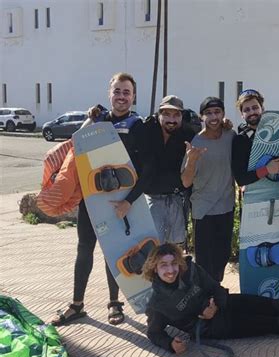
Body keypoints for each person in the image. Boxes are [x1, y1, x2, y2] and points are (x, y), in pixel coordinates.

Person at [51, 72, 147, 326]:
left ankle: (115, 304)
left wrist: (130, 201)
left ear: (133, 96)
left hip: (121, 201)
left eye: (126, 92)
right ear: (109, 94)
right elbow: (76, 146)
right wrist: (89, 117)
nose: (121, 97)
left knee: (114, 251)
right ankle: (77, 305)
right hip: (92, 198)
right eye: (117, 91)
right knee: (84, 249)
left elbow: (147, 170)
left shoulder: (139, 126)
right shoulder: (97, 121)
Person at [144, 243, 279, 354]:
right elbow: (154, 332)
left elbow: (215, 288)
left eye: (173, 263)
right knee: (274, 323)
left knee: (276, 306)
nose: (171, 270)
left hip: (226, 304)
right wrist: (170, 344)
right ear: (154, 268)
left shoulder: (190, 269)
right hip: (216, 327)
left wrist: (215, 304)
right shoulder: (157, 304)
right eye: (164, 265)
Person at [231, 88, 279, 271]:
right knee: (258, 245)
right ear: (241, 114)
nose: (251, 112)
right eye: (246, 109)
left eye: (255, 107)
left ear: (262, 108)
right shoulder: (240, 141)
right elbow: (240, 178)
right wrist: (266, 169)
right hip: (255, 200)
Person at [181, 97, 236, 282]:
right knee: (204, 263)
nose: (213, 117)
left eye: (217, 112)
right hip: (203, 210)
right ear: (201, 116)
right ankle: (206, 302)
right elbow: (186, 182)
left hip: (227, 206)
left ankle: (215, 297)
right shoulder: (195, 143)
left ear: (223, 114)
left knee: (222, 257)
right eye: (209, 113)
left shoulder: (230, 135)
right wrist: (192, 161)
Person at [142, 95, 196, 246]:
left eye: (176, 114)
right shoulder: (147, 129)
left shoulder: (189, 134)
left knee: (176, 250)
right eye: (166, 114)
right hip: (150, 199)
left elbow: (211, 131)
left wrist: (225, 124)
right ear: (158, 114)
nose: (171, 119)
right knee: (151, 249)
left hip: (177, 199)